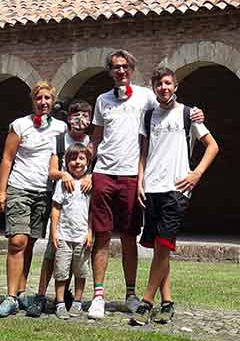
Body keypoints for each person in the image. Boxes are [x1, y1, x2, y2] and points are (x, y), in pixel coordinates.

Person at [87, 49, 205, 320]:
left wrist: (195, 112)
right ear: (110, 71)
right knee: (102, 235)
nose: (121, 71)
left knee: (130, 237)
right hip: (105, 173)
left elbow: (170, 103)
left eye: (125, 66)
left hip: (134, 177)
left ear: (132, 69)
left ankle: (132, 294)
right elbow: (96, 138)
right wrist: (85, 170)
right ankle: (98, 296)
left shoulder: (147, 96)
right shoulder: (102, 101)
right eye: (116, 67)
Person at [130, 67, 218, 326]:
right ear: (154, 88)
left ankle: (146, 302)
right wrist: (139, 182)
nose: (163, 88)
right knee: (160, 248)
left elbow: (213, 146)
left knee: (163, 246)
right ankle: (167, 302)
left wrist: (196, 173)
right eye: (159, 84)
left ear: (175, 86)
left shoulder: (189, 114)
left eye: (168, 83)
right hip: (152, 188)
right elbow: (144, 153)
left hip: (177, 189)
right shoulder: (148, 116)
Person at [0, 81, 65, 318]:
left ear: (53, 102)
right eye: (39, 98)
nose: (43, 103)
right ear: (32, 101)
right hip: (19, 188)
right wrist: (2, 191)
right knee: (17, 242)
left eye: (47, 99)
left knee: (31, 243)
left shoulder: (60, 128)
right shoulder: (20, 125)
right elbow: (7, 158)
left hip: (43, 192)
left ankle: (22, 292)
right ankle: (11, 296)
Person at [29, 99, 94, 317]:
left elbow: (95, 168)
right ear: (68, 118)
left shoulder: (91, 142)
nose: (80, 120)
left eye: (85, 116)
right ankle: (40, 296)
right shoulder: (58, 141)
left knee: (78, 258)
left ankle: (72, 298)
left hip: (82, 201)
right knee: (52, 252)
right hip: (60, 197)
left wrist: (91, 177)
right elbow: (52, 171)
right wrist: (64, 174)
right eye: (76, 115)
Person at [49, 143, 94, 319]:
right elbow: (56, 208)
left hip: (82, 237)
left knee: (81, 271)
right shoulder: (62, 183)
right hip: (64, 235)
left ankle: (77, 301)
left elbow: (91, 212)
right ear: (66, 163)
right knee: (61, 271)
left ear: (88, 162)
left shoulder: (89, 185)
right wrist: (54, 232)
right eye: (73, 159)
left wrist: (90, 233)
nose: (77, 162)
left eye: (81, 158)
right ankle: (60, 302)